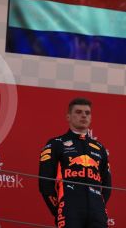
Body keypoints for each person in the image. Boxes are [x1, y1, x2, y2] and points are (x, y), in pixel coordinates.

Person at [39, 98, 111, 228]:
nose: (83, 115)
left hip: (97, 213)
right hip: (69, 210)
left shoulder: (99, 148)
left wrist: (99, 205)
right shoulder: (55, 144)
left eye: (87, 113)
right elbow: (45, 183)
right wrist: (59, 207)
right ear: (68, 116)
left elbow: (107, 184)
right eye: (78, 112)